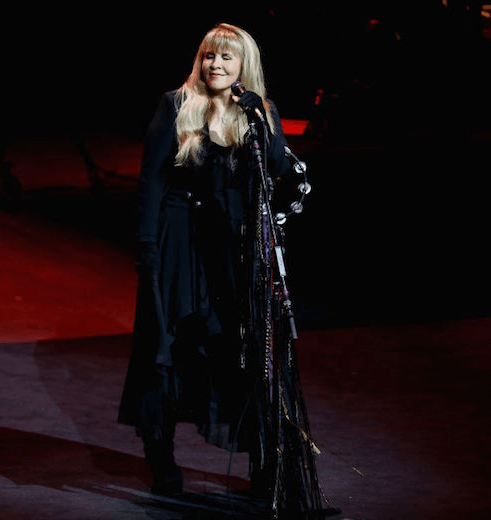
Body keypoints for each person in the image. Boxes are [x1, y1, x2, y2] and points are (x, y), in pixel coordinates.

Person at [118, 23, 322, 516]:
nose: (216, 64)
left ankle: (264, 464)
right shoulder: (175, 104)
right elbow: (150, 183)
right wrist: (147, 249)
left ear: (244, 65)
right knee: (167, 345)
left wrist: (258, 118)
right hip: (179, 241)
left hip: (232, 246)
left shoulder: (258, 110)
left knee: (242, 348)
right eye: (210, 55)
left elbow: (277, 168)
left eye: (227, 57)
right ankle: (162, 459)